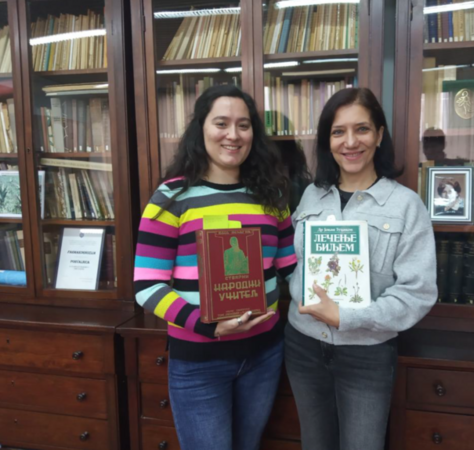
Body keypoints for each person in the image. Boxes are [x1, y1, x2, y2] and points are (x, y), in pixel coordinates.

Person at [133, 85, 296, 450]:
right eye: (221, 123)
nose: (233, 135)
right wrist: (207, 324)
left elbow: (289, 267)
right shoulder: (171, 198)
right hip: (199, 362)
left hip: (265, 354)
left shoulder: (271, 195)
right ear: (201, 128)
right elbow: (146, 285)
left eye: (243, 125)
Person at [285, 87, 437, 450]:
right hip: (303, 346)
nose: (350, 142)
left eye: (362, 129)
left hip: (366, 353)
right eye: (338, 132)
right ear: (328, 140)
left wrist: (347, 316)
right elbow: (293, 265)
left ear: (380, 135)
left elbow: (417, 292)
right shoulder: (310, 197)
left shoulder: (405, 206)